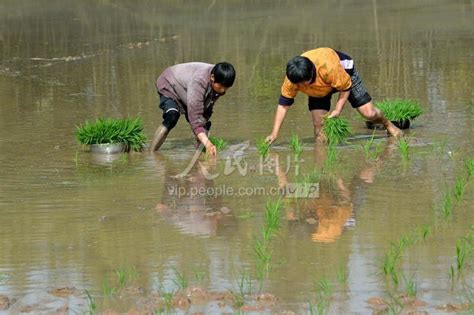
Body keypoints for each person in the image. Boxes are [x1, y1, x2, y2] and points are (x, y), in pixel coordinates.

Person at [265, 47, 403, 144]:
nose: (301, 87)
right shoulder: (292, 79)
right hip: (319, 90)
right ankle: (322, 162)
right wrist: (274, 133)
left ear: (312, 73)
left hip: (345, 75)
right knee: (319, 125)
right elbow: (283, 105)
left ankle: (388, 124)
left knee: (369, 114)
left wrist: (337, 110)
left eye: (303, 83)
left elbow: (345, 87)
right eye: (298, 85)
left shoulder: (328, 67)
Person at [150, 62, 236, 156]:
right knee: (172, 117)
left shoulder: (220, 77)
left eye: (226, 88)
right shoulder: (199, 81)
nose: (223, 91)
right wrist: (208, 143)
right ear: (212, 77)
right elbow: (195, 117)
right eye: (220, 87)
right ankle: (150, 154)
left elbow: (206, 109)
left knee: (203, 122)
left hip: (186, 88)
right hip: (169, 84)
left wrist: (204, 124)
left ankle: (199, 156)